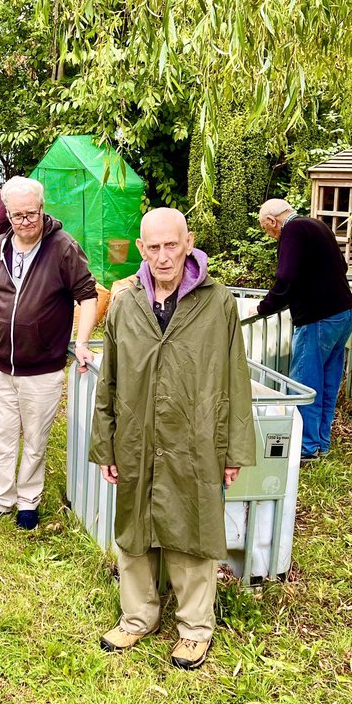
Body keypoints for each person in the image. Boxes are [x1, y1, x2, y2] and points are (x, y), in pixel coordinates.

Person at [89, 207, 256, 671]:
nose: (163, 257)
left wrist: (235, 448)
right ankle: (138, 616)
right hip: (137, 436)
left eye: (171, 245)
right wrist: (105, 443)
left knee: (192, 527)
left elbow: (236, 379)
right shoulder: (125, 305)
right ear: (141, 249)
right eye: (153, 247)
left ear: (188, 242)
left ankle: (195, 628)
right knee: (135, 527)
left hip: (195, 436)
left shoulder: (218, 303)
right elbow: (111, 381)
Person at [0, 176, 98, 531]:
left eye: (32, 214)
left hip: (43, 368)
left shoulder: (63, 247)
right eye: (18, 215)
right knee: (2, 436)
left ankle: (28, 502)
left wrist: (81, 342)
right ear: (7, 213)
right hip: (0, 365)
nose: (26, 222)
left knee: (35, 440)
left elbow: (88, 295)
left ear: (42, 209)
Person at [256, 198, 352, 462]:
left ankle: (306, 447)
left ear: (272, 220)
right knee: (327, 382)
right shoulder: (317, 225)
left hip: (318, 317)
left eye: (267, 230)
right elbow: (341, 267)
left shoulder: (293, 231)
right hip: (344, 313)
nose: (270, 235)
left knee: (304, 383)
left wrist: (265, 307)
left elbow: (287, 276)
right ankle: (321, 442)